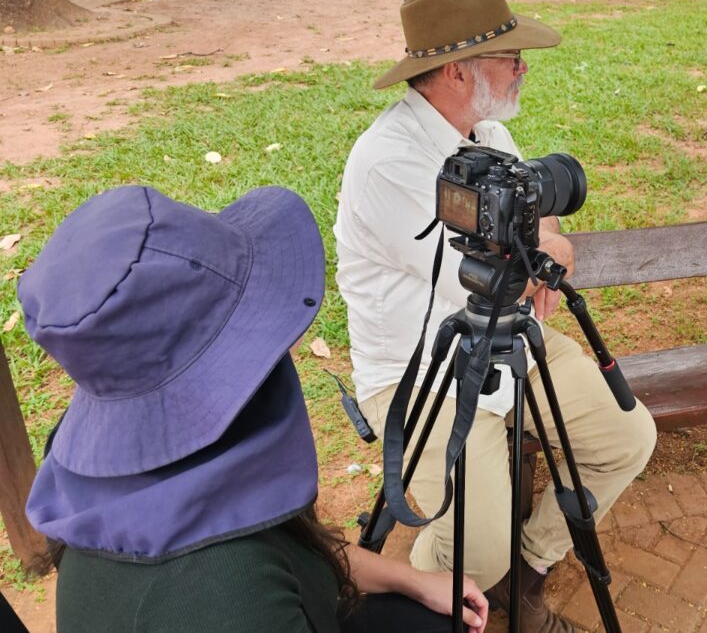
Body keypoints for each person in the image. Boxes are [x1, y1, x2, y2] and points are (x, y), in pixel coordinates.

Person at [334, 0, 657, 632]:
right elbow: (486, 273)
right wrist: (541, 256)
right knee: (470, 552)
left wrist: (542, 248)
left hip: (510, 343)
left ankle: (525, 573)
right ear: (455, 69)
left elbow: (538, 227)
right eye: (510, 57)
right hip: (422, 371)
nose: (521, 70)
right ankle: (433, 597)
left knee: (627, 437)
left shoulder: (489, 138)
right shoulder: (388, 161)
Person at [20, 185, 488, 633]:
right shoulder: (222, 595)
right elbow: (248, 575)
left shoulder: (142, 472)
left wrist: (414, 580)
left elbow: (292, 548)